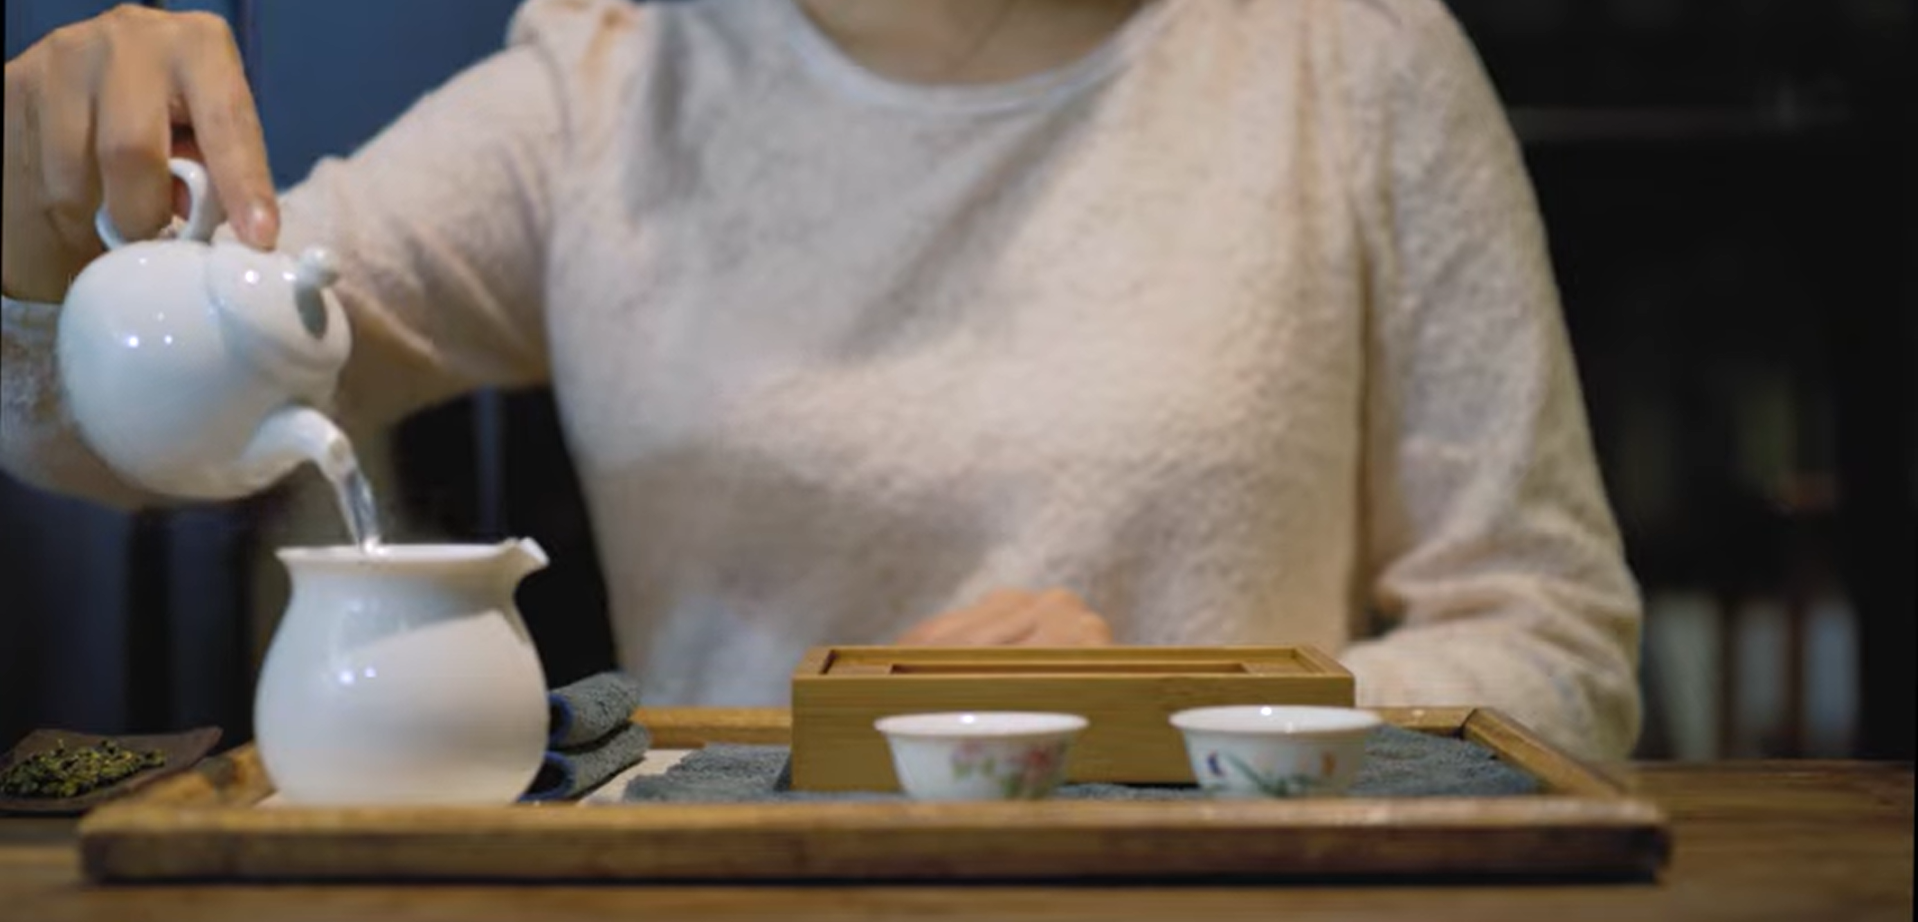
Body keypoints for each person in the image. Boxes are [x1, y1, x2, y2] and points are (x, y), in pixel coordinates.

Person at [1, 0, 1643, 759]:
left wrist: (1163, 715)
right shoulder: (610, 81)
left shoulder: (1352, 59)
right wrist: (39, 238)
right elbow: (93, 430)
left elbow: (1556, 642)